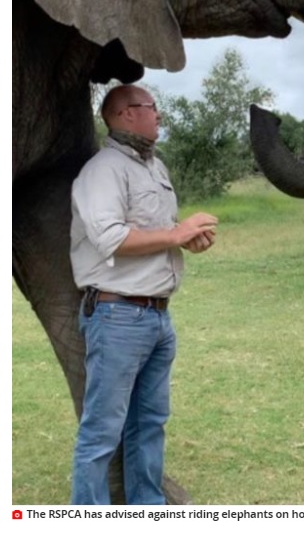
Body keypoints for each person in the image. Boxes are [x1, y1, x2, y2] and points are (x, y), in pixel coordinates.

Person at [69, 84, 219, 504]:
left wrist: (185, 240)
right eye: (152, 107)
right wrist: (176, 232)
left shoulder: (155, 167)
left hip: (156, 317)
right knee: (102, 431)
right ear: (125, 114)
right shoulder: (103, 170)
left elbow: (156, 233)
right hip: (117, 317)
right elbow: (111, 239)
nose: (159, 115)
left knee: (149, 422)